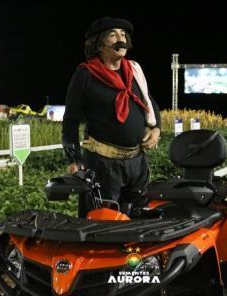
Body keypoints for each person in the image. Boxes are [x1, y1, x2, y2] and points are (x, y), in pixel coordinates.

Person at [62, 17, 161, 212]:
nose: (121, 39)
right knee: (100, 223)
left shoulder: (134, 71)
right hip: (102, 164)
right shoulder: (86, 74)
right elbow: (70, 120)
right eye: (113, 34)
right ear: (98, 43)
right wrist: (74, 160)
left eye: (123, 34)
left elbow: (150, 102)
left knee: (136, 219)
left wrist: (157, 128)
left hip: (136, 162)